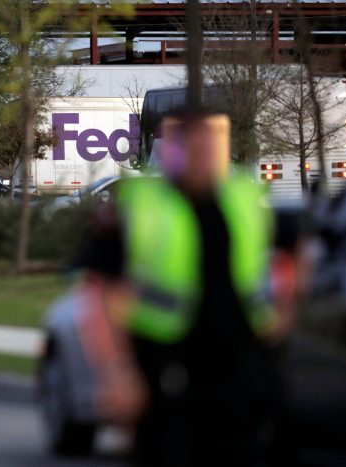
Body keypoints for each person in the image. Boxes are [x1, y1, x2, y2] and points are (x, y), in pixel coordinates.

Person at [103, 107, 296, 466]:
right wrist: (119, 371)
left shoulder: (243, 199)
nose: (205, 156)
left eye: (212, 146)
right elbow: (101, 289)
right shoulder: (143, 204)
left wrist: (285, 312)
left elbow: (297, 248)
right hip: (167, 368)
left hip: (237, 365)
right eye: (195, 147)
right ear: (175, 151)